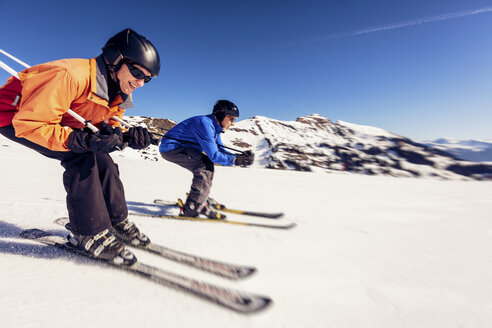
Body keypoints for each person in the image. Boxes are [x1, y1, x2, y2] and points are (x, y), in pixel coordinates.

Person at [0, 28, 160, 261]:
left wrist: (125, 135)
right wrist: (80, 140)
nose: (141, 82)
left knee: (103, 160)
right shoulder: (70, 76)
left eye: (147, 79)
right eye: (137, 72)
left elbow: (106, 123)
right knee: (81, 156)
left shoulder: (119, 91)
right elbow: (30, 123)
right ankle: (88, 232)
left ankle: (116, 220)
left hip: (54, 119)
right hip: (15, 116)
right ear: (115, 59)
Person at [159, 100, 255, 219]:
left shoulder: (214, 126)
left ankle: (201, 197)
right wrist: (236, 160)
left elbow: (219, 148)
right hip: (171, 148)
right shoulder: (205, 124)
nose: (233, 123)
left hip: (183, 148)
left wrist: (238, 156)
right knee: (203, 166)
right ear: (221, 115)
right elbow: (214, 155)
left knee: (206, 165)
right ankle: (193, 205)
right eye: (231, 119)